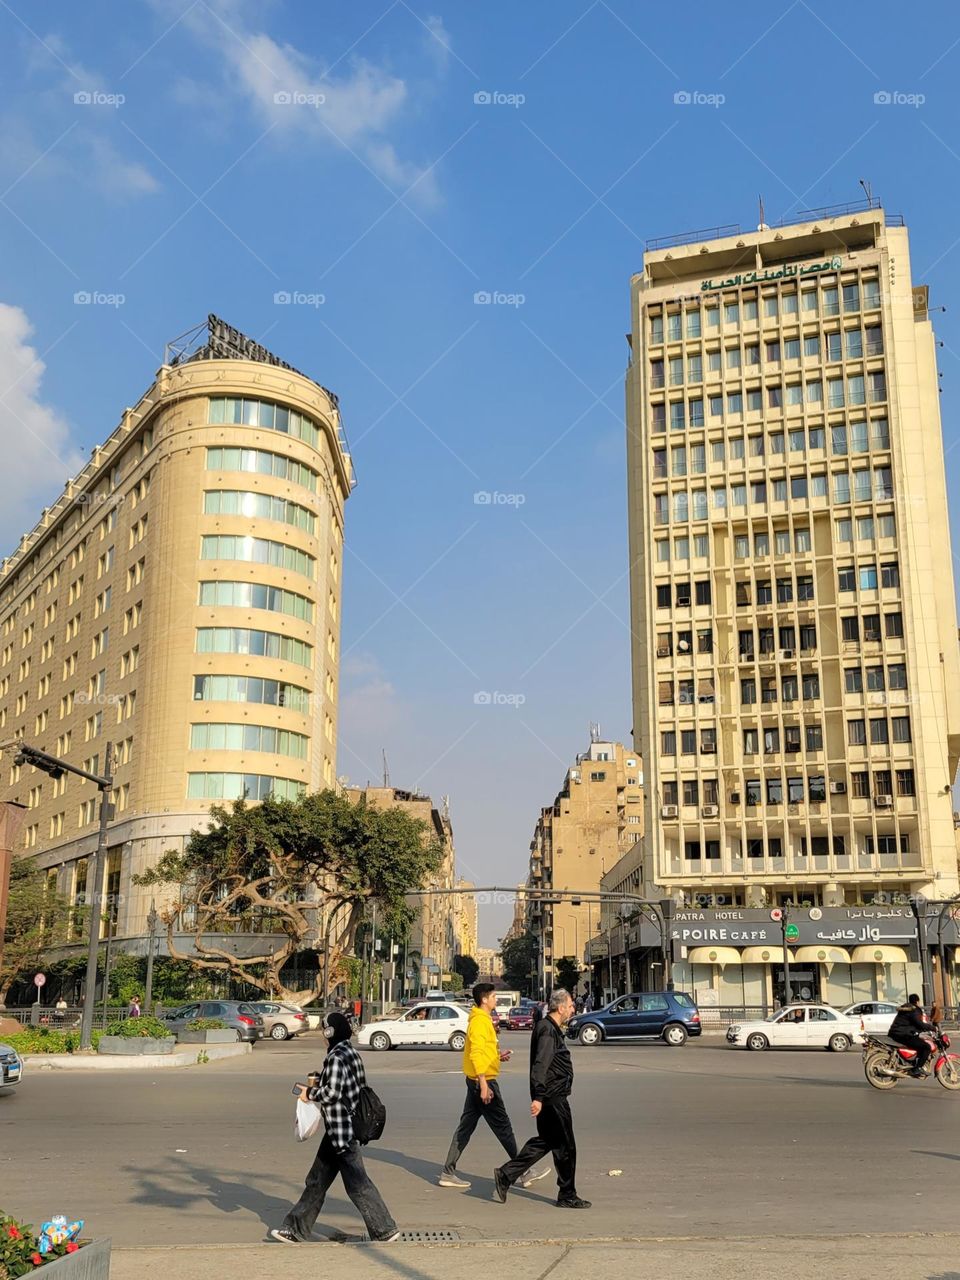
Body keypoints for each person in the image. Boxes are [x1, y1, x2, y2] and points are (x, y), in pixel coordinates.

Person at [272, 1012, 398, 1244]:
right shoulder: (351, 1052)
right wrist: (321, 1081)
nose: (323, 1034)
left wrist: (309, 1092)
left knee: (357, 1184)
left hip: (341, 1130)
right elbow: (349, 1084)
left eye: (325, 1029)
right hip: (340, 1129)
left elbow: (332, 1093)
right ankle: (295, 1229)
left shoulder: (335, 1058)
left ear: (330, 1032)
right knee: (317, 1181)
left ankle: (385, 1229)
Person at [439, 983, 549, 1190]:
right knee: (503, 1128)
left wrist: (497, 1057)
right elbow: (476, 1053)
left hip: (477, 1080)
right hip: (484, 1081)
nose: (496, 1000)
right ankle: (524, 1171)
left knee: (465, 1129)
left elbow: (482, 1051)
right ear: (484, 1000)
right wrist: (483, 1084)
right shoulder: (480, 1022)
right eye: (493, 996)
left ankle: (447, 1172)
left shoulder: (481, 1020)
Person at [493, 988, 590, 1210]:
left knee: (547, 1141)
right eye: (570, 1005)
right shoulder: (547, 1030)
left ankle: (506, 1175)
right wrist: (538, 1097)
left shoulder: (550, 1028)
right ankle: (567, 1194)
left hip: (550, 1095)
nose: (573, 1008)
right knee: (566, 1147)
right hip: (552, 1097)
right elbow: (540, 1065)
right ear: (561, 1007)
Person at [888, 993, 932, 1078]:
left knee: (919, 1043)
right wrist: (932, 1028)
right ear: (917, 1001)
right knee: (926, 1047)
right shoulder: (914, 1010)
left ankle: (912, 1063)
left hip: (896, 1033)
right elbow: (919, 1023)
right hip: (903, 1035)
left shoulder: (906, 1008)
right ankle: (917, 1068)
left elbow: (910, 1024)